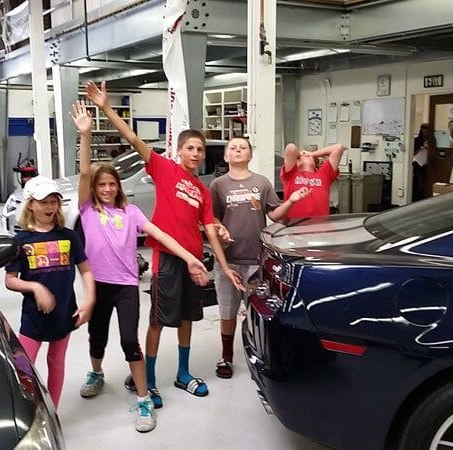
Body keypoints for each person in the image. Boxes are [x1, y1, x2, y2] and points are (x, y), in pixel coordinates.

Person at [85, 81, 244, 409]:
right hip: (167, 258)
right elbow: (132, 139)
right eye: (191, 148)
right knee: (158, 319)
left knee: (188, 318)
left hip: (194, 261)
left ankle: (183, 374)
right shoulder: (164, 168)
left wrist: (224, 267)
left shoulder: (202, 189)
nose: (196, 154)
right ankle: (150, 380)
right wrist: (105, 107)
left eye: (200, 150)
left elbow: (209, 229)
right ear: (180, 151)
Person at [70, 101, 209, 432]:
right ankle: (97, 371)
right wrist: (86, 134)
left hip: (127, 285)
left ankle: (144, 399)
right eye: (101, 185)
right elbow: (85, 171)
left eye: (111, 185)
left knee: (129, 341)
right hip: (97, 285)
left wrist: (191, 257)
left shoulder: (130, 213)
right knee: (97, 336)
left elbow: (162, 234)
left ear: (118, 188)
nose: (106, 189)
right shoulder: (88, 209)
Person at [209, 137, 311, 378]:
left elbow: (276, 215)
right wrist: (219, 229)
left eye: (242, 147)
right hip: (228, 261)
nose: (237, 150)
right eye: (232, 148)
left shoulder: (261, 183)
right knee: (227, 312)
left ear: (250, 155)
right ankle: (226, 357)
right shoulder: (218, 185)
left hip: (256, 261)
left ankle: (261, 356)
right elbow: (211, 219)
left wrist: (292, 201)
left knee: (258, 313)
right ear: (225, 156)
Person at [4, 176, 96, 408]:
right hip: (33, 318)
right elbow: (10, 280)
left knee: (56, 361)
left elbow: (85, 270)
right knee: (24, 366)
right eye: (43, 202)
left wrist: (90, 300)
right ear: (31, 205)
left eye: (54, 201)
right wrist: (35, 286)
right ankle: (29, 410)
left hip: (63, 313)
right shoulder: (21, 241)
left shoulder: (68, 236)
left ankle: (52, 410)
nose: (50, 207)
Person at [280, 142, 346, 218]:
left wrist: (313, 154)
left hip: (320, 227)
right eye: (299, 157)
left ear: (315, 163)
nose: (304, 155)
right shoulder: (291, 174)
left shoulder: (323, 175)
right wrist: (300, 153)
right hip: (295, 226)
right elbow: (290, 148)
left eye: (306, 155)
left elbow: (338, 147)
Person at [412, 123, 435, 202]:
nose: (425, 132)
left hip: (429, 164)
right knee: (420, 183)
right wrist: (421, 149)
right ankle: (419, 198)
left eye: (427, 131)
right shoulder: (417, 140)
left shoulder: (432, 140)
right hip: (418, 164)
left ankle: (425, 197)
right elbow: (413, 153)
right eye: (423, 131)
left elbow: (435, 151)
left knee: (428, 183)